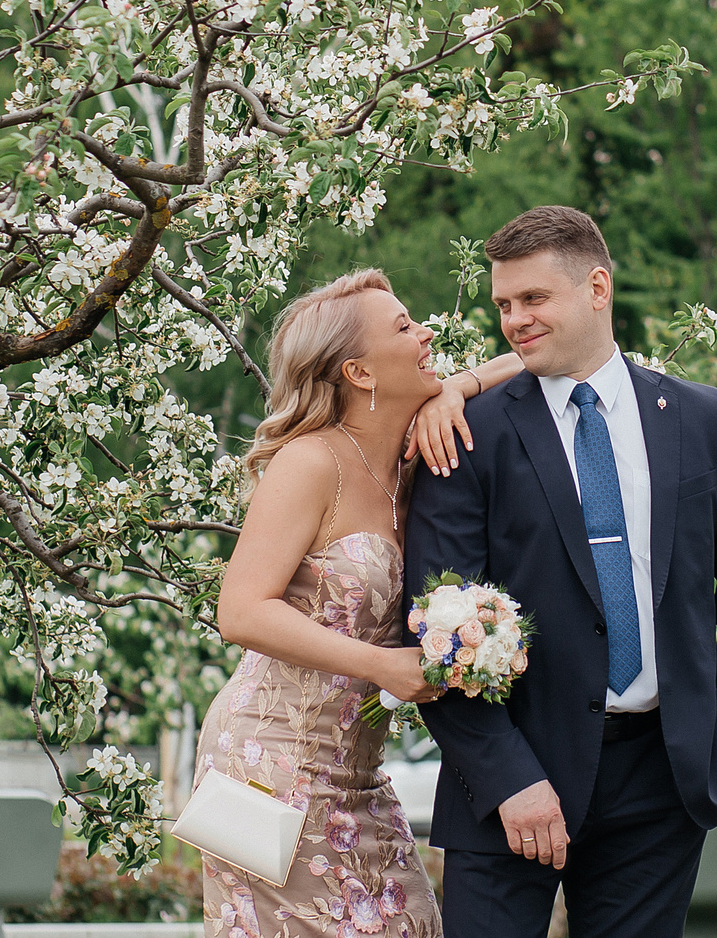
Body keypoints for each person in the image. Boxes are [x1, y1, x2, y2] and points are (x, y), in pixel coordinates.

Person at [402, 207, 717, 938]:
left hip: (661, 782)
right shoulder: (465, 435)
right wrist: (508, 778)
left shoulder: (707, 419)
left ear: (598, 288)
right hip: (506, 782)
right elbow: (430, 622)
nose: (514, 319)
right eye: (503, 305)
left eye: (533, 299)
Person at [201, 268, 514, 938]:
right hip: (264, 766)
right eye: (403, 327)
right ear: (359, 372)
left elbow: (530, 358)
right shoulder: (311, 462)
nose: (426, 332)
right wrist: (383, 665)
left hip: (358, 776)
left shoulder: (412, 464)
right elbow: (241, 610)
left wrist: (456, 386)